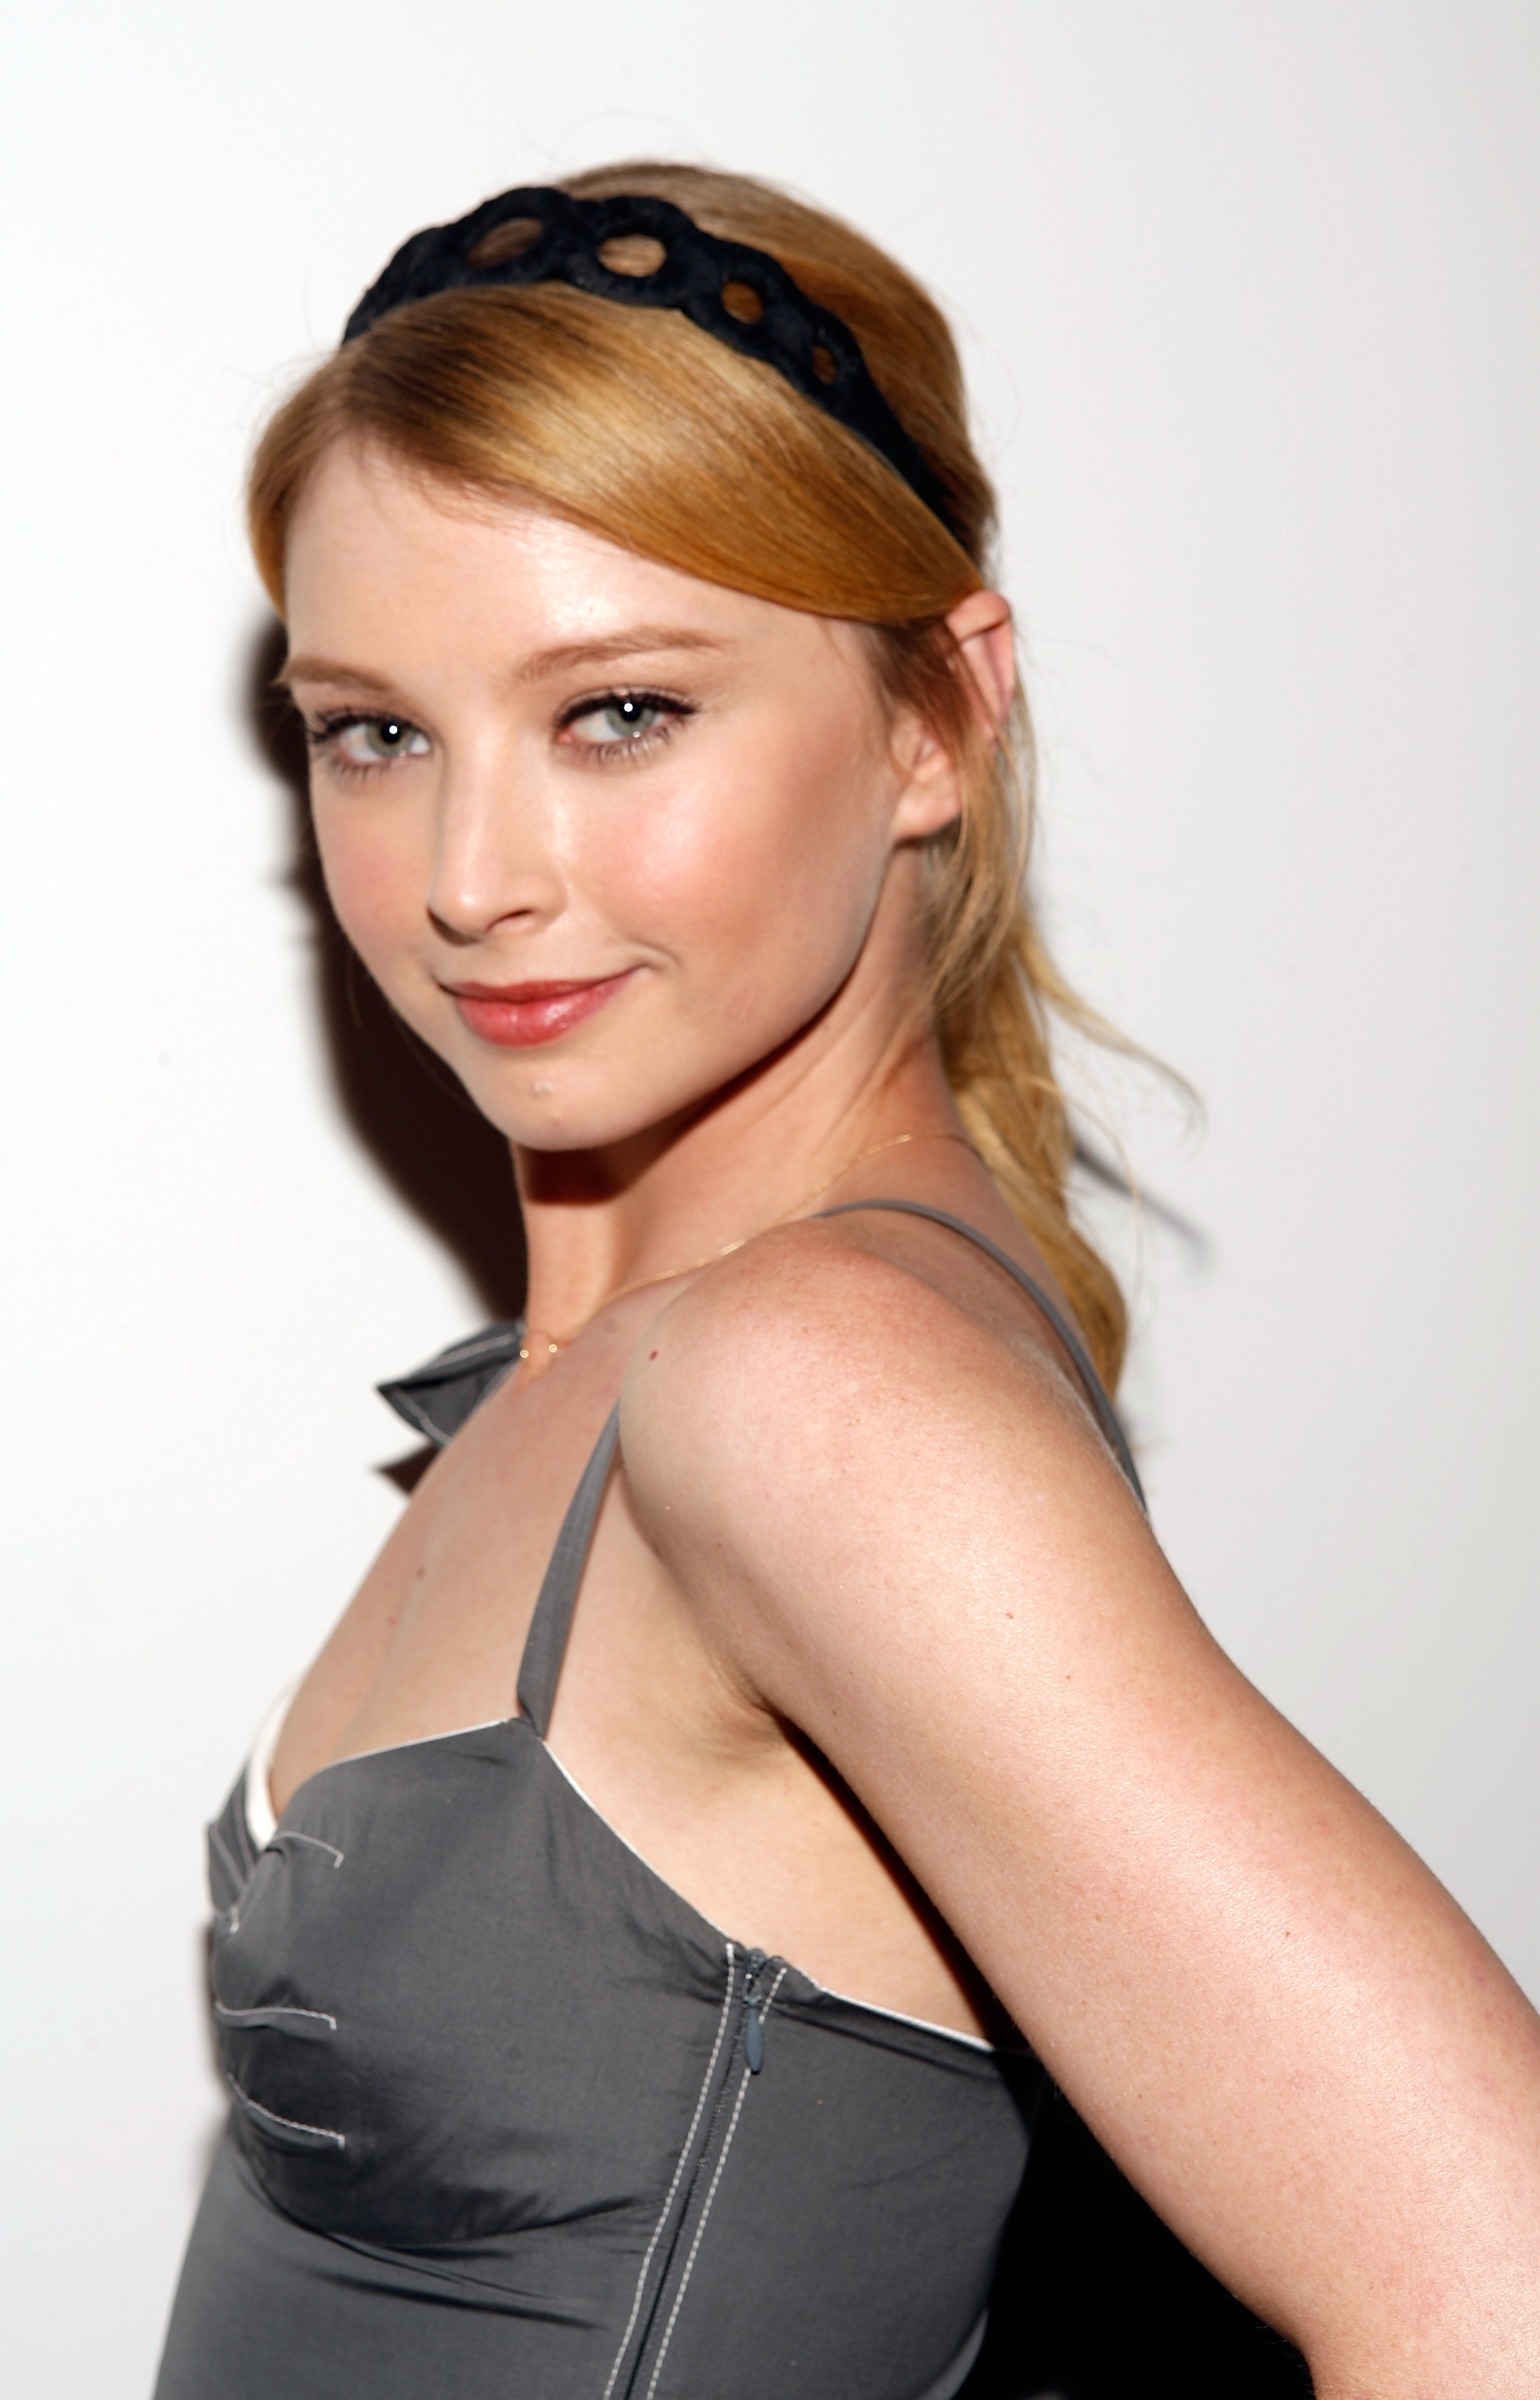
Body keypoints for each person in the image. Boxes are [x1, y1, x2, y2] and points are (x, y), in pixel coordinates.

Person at [155, 164, 1540, 2399]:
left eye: (620, 711)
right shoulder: (625, 1355)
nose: (472, 877)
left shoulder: (815, 1391)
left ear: (934, 719)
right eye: (375, 732)